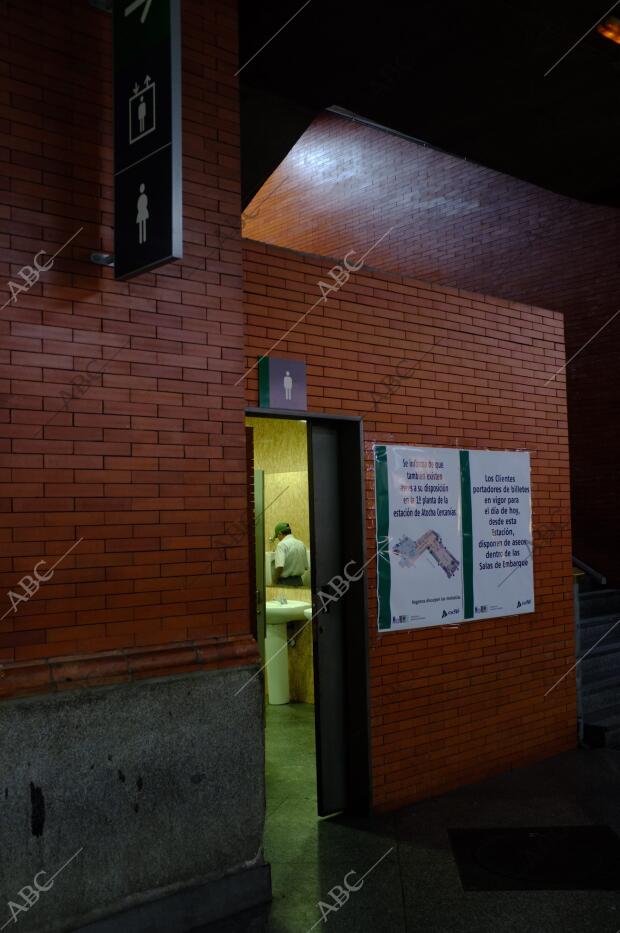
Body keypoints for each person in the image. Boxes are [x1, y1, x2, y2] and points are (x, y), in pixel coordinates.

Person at [272, 522, 308, 587]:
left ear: (280, 533)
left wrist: (274, 581)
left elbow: (280, 567)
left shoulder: (281, 545)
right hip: (299, 582)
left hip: (285, 583)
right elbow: (306, 567)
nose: (278, 539)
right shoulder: (301, 544)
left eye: (277, 537)